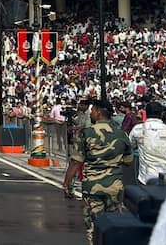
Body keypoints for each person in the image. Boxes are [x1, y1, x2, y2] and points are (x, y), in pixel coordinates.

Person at [62, 99, 133, 244]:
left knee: (93, 226)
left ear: (98, 112)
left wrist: (67, 183)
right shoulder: (122, 134)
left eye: (93, 110)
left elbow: (76, 161)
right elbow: (128, 161)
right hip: (115, 186)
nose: (91, 113)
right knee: (113, 223)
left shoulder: (87, 133)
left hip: (93, 186)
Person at [128, 101, 166, 184]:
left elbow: (130, 146)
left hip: (147, 176)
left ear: (146, 113)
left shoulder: (138, 129)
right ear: (161, 114)